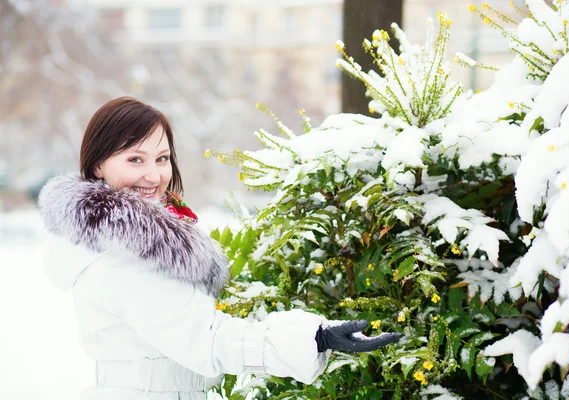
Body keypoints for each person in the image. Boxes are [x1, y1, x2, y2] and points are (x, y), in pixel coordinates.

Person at [38, 97, 401, 400]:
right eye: (135, 159)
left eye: (162, 158)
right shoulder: (121, 255)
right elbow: (207, 340)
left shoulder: (111, 240)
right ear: (98, 164)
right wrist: (315, 338)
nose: (154, 175)